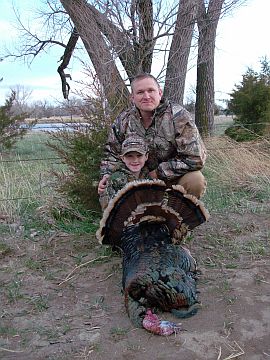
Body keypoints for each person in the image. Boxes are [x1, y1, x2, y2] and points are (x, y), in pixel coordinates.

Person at [98, 73, 207, 199]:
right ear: (132, 97)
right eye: (140, 92)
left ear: (159, 93)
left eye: (151, 90)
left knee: (195, 180)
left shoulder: (179, 116)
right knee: (111, 183)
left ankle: (178, 215)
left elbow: (195, 159)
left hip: (171, 178)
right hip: (135, 179)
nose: (146, 96)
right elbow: (111, 153)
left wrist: (158, 173)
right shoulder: (123, 120)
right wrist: (106, 175)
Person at [99, 134, 150, 210]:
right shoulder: (116, 180)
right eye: (130, 156)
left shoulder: (147, 178)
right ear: (122, 158)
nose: (135, 160)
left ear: (146, 157)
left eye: (139, 156)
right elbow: (109, 210)